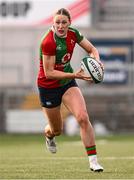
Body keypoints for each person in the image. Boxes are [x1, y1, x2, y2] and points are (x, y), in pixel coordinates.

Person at [37, 8, 104, 172]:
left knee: (82, 117)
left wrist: (97, 61)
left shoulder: (74, 33)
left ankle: (93, 162)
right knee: (57, 130)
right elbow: (50, 73)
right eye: (57, 22)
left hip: (67, 83)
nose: (60, 26)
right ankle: (49, 135)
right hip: (48, 87)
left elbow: (92, 49)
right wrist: (75, 74)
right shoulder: (48, 41)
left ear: (70, 23)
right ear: (53, 23)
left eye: (64, 22)